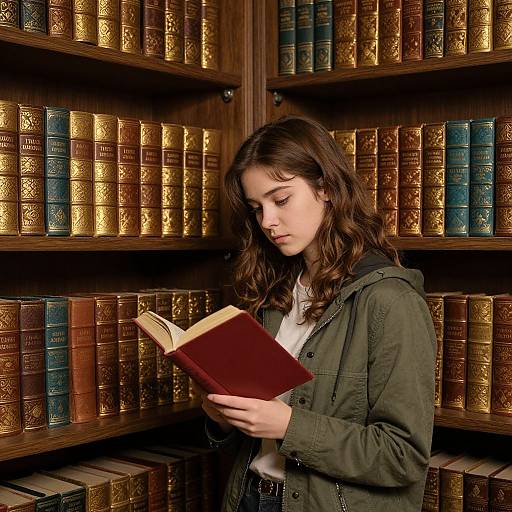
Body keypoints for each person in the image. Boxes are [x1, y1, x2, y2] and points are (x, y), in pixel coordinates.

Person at [201, 115, 436, 512]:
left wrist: (289, 426)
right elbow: (256, 438)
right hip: (248, 498)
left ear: (325, 188)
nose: (268, 222)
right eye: (257, 208)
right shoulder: (272, 294)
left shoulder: (390, 301)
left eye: (281, 199)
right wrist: (223, 419)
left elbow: (403, 456)